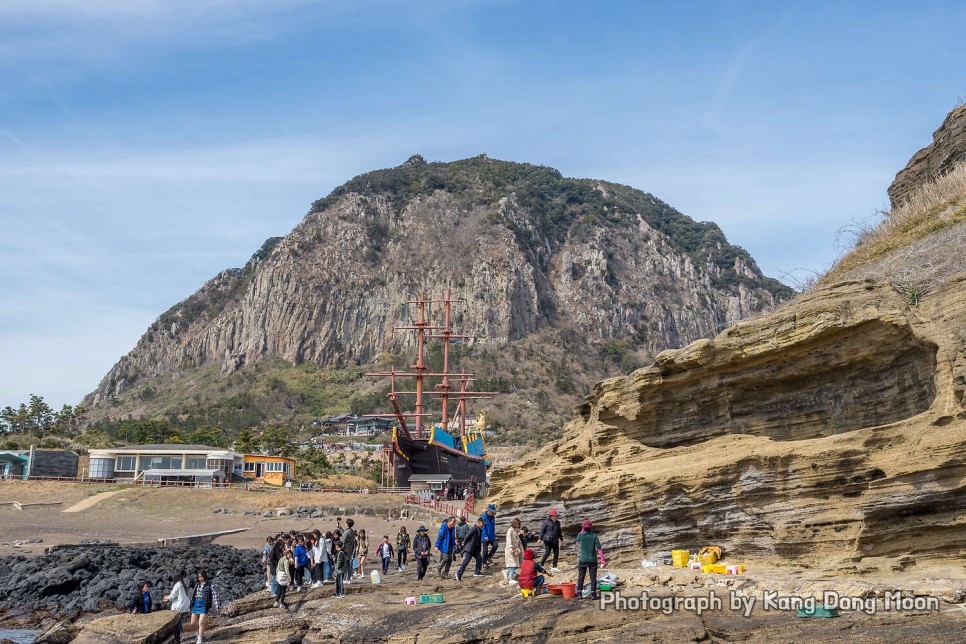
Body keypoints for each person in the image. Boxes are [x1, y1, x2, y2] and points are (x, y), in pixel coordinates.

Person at [189, 570, 220, 644]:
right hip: (196, 603)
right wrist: (190, 604)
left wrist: (217, 606)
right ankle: (199, 633)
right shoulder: (197, 585)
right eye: (199, 577)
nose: (200, 578)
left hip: (204, 604)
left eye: (201, 577)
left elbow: (214, 595)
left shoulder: (210, 585)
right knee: (193, 623)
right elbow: (193, 595)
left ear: (205, 576)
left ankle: (200, 639)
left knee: (201, 622)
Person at [575, 519, 603, 600]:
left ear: (583, 527)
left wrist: (582, 530)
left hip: (583, 559)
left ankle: (579, 594)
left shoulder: (581, 535)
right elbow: (599, 548)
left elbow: (578, 539)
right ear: (591, 527)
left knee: (581, 576)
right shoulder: (594, 535)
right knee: (593, 577)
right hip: (592, 560)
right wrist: (602, 560)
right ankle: (593, 595)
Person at [455, 517, 486, 581]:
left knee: (479, 558)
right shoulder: (474, 528)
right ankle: (458, 573)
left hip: (475, 548)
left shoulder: (479, 529)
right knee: (466, 561)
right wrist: (464, 544)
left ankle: (477, 572)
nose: (483, 525)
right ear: (479, 522)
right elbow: (467, 536)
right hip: (470, 548)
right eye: (483, 523)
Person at [163, 572, 190, 644]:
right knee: (179, 621)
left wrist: (167, 598)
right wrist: (169, 598)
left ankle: (180, 635)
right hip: (184, 605)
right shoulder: (183, 584)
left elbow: (172, 596)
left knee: (177, 622)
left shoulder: (177, 585)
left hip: (179, 606)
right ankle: (181, 635)